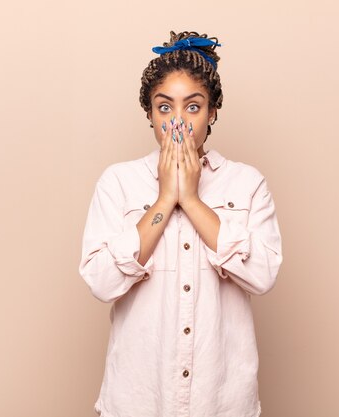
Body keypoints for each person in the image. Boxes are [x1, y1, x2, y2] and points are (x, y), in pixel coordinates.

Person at [78, 30, 283, 417]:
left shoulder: (247, 182)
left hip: (221, 401)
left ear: (212, 112)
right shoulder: (118, 182)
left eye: (193, 106)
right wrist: (164, 200)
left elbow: (263, 274)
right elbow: (101, 282)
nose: (178, 121)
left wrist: (189, 198)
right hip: (139, 399)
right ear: (150, 114)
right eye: (165, 107)